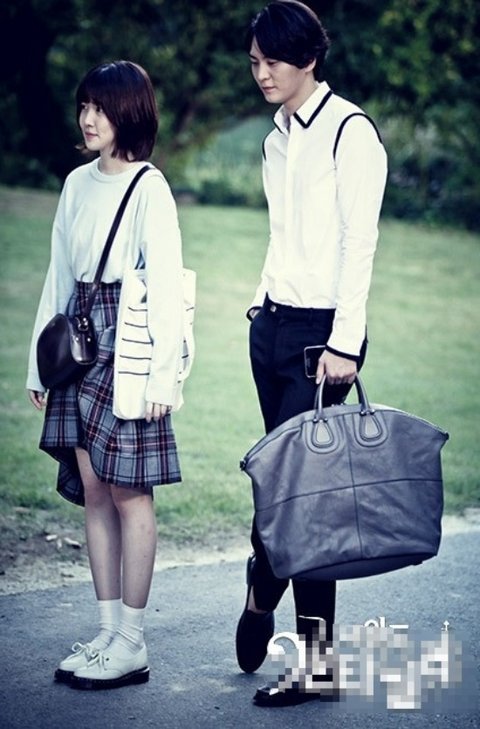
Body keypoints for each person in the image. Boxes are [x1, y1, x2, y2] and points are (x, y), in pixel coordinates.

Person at [235, 0, 388, 707]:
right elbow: (284, 235)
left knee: (308, 500)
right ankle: (264, 580)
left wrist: (345, 343)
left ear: (309, 59)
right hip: (270, 328)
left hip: (323, 342)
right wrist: (259, 304)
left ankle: (308, 650)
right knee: (279, 483)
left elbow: (360, 244)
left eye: (272, 61)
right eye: (255, 61)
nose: (262, 73)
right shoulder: (277, 140)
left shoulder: (350, 133)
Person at [26, 60, 185, 690]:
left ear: (129, 112)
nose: (88, 118)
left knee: (128, 492)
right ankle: (107, 631)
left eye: (101, 107)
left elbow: (166, 287)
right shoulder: (75, 184)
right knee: (94, 489)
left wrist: (163, 380)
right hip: (78, 340)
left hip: (130, 342)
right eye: (84, 106)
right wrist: (40, 364)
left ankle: (133, 642)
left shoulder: (149, 188)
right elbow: (58, 277)